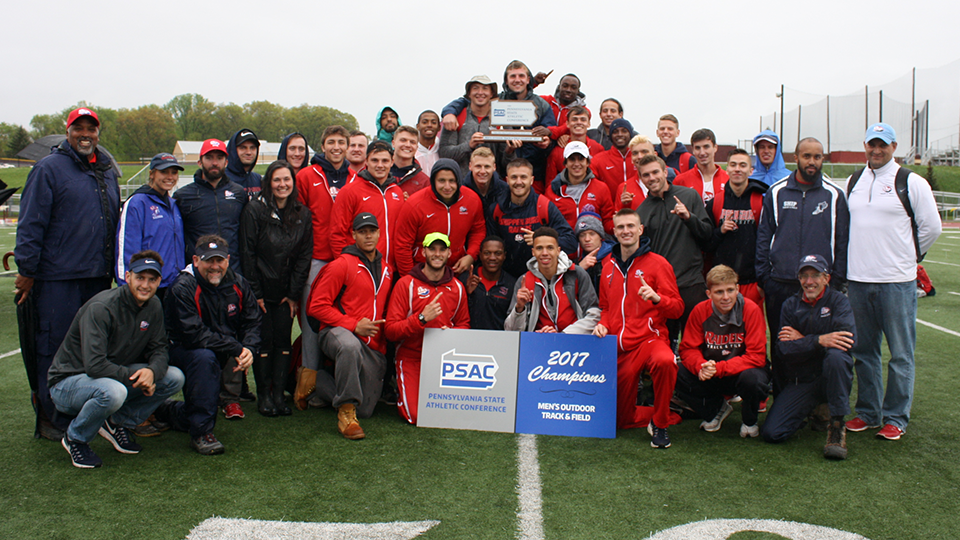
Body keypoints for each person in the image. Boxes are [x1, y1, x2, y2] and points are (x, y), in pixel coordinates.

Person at [15, 107, 120, 440]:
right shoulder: (49, 169)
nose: (85, 134)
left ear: (98, 133)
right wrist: (28, 270)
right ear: (68, 131)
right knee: (54, 347)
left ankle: (86, 410)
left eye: (91, 128)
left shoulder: (105, 169)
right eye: (79, 128)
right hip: (58, 277)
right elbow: (31, 223)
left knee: (92, 349)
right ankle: (51, 414)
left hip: (97, 277)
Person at [845, 123, 942, 440]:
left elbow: (932, 228)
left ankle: (896, 417)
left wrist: (908, 258)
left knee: (900, 354)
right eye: (872, 144)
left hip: (896, 282)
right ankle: (869, 413)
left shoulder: (911, 182)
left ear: (894, 146)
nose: (876, 150)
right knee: (865, 352)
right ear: (865, 146)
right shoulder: (854, 181)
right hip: (858, 280)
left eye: (882, 145)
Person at [48, 252, 185, 468]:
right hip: (69, 382)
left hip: (111, 375)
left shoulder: (154, 306)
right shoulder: (102, 307)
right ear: (128, 276)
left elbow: (159, 348)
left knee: (174, 377)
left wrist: (152, 372)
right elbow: (94, 365)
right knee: (114, 391)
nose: (145, 285)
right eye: (140, 278)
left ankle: (117, 422)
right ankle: (76, 437)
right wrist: (137, 377)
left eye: (152, 280)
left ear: (159, 281)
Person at [756, 137, 848, 395]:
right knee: (781, 342)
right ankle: (783, 396)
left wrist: (836, 280)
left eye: (817, 157)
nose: (812, 162)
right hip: (781, 284)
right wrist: (765, 277)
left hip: (819, 287)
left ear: (822, 159)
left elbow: (842, 241)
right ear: (795, 158)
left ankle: (819, 403)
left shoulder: (834, 194)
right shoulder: (776, 192)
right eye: (806, 156)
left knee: (819, 345)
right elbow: (764, 236)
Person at [159, 235, 261, 455]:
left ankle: (167, 411)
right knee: (204, 358)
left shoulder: (238, 282)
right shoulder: (183, 287)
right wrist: (235, 347)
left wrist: (249, 349)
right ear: (196, 260)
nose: (215, 267)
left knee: (210, 359)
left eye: (220, 260)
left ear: (228, 260)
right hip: (181, 350)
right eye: (208, 261)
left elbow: (252, 320)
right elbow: (194, 335)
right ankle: (201, 433)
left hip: (218, 348)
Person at [593, 209, 683, 448]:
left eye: (631, 226)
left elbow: (677, 309)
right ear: (614, 231)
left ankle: (661, 423)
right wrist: (603, 323)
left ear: (640, 230)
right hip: (620, 348)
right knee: (621, 420)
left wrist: (657, 299)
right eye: (621, 227)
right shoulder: (608, 265)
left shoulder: (658, 264)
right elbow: (605, 306)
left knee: (666, 361)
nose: (626, 231)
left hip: (649, 340)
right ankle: (663, 410)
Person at [307, 213, 393, 440]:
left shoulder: (387, 269)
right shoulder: (341, 264)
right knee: (349, 346)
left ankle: (315, 380)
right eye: (362, 231)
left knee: (365, 410)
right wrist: (353, 325)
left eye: (371, 231)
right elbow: (316, 306)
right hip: (336, 332)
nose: (368, 236)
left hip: (370, 343)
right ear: (353, 235)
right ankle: (346, 413)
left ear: (378, 233)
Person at [761, 255, 856, 461]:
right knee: (772, 433)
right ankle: (812, 409)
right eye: (804, 276)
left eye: (815, 275)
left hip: (828, 376)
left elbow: (846, 342)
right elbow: (783, 349)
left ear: (826, 279)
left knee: (837, 358)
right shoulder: (790, 305)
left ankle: (837, 425)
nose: (809, 281)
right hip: (802, 379)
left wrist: (803, 340)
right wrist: (819, 340)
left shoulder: (839, 301)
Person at [240, 161, 312, 417]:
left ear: (293, 183)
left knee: (283, 341)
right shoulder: (255, 210)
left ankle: (280, 395)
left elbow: (304, 256)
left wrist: (293, 293)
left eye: (287, 180)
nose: (282, 185)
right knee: (264, 342)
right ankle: (264, 396)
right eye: (277, 180)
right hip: (260, 291)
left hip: (286, 293)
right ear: (269, 182)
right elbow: (247, 253)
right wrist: (255, 293)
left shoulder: (302, 214)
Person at [294, 125, 357, 408]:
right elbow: (297, 220)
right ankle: (306, 384)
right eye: (330, 142)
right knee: (313, 322)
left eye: (341, 142)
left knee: (342, 322)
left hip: (346, 259)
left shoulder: (356, 177)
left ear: (347, 146)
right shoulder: (307, 175)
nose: (336, 147)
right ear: (323, 145)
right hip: (317, 259)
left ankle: (329, 383)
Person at [385, 233, 470, 424]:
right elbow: (390, 331)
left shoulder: (457, 287)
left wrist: (453, 335)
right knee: (416, 416)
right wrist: (421, 318)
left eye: (442, 249)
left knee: (456, 414)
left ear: (449, 253)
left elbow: (464, 324)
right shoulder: (406, 284)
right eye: (432, 249)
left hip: (444, 360)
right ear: (423, 251)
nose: (437, 254)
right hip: (411, 356)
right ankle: (403, 389)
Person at [676, 265, 768, 438]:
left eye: (730, 290)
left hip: (741, 372)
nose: (726, 297)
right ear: (709, 294)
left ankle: (749, 420)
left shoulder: (751, 309)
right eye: (719, 292)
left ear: (738, 289)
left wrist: (720, 368)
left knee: (754, 379)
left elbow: (757, 356)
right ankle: (716, 409)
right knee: (675, 371)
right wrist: (700, 366)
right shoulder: (699, 311)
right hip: (711, 373)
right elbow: (688, 348)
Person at [635, 154, 713, 347]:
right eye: (646, 175)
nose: (652, 178)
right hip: (662, 288)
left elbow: (707, 235)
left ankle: (695, 374)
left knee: (695, 339)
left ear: (665, 172)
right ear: (641, 179)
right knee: (666, 341)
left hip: (691, 282)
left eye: (655, 172)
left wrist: (689, 217)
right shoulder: (641, 211)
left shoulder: (688, 196)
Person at [442, 60, 555, 184]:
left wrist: (547, 143)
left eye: (521, 76)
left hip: (534, 171)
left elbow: (551, 133)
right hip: (500, 175)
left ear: (529, 79)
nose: (517, 80)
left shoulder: (542, 105)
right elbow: (466, 101)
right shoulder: (497, 102)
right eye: (513, 76)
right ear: (506, 81)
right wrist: (449, 112)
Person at [393, 159, 485, 277]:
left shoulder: (471, 200)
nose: (447, 186)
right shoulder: (415, 204)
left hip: (456, 270)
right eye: (441, 181)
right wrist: (410, 279)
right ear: (433, 181)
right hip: (422, 271)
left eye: (452, 181)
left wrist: (471, 255)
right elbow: (402, 245)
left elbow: (478, 230)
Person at [487, 158, 577, 279]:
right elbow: (488, 246)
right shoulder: (496, 210)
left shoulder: (544, 206)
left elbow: (571, 241)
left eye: (523, 177)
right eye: (514, 177)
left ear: (531, 180)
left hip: (540, 276)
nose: (518, 182)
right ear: (507, 180)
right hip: (505, 277)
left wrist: (540, 240)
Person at [116, 153, 185, 301]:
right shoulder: (137, 203)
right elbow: (126, 248)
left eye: (174, 172)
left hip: (173, 285)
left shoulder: (173, 204)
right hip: (148, 286)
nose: (170, 177)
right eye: (164, 172)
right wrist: (126, 286)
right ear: (152, 174)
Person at [504, 228, 600, 334]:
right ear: (533, 252)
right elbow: (511, 331)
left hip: (573, 342)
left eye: (550, 248)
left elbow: (595, 315)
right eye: (539, 248)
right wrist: (519, 308)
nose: (545, 253)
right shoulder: (525, 281)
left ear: (558, 251)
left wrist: (562, 335)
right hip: (539, 343)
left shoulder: (576, 274)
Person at [175, 139, 249, 275]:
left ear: (226, 162)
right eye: (209, 158)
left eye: (219, 158)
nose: (214, 163)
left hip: (233, 271)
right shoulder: (183, 196)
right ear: (200, 162)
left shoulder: (238, 193)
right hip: (199, 273)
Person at [703, 149, 767, 306]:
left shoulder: (761, 201)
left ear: (751, 171)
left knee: (750, 328)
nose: (738, 168)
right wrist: (721, 231)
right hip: (722, 283)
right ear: (727, 169)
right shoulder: (716, 202)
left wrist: (762, 283)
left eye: (743, 165)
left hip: (751, 282)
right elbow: (706, 243)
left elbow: (768, 244)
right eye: (733, 164)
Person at [329, 140, 405, 262]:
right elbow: (337, 235)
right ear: (366, 162)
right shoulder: (349, 191)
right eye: (375, 160)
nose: (380, 165)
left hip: (391, 268)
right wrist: (347, 268)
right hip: (360, 266)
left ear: (392, 162)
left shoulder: (397, 192)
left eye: (385, 161)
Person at [545, 141, 614, 237]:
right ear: (565, 163)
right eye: (572, 159)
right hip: (564, 248)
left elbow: (607, 221)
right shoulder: (553, 190)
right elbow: (548, 223)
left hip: (593, 248)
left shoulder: (601, 188)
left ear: (588, 162)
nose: (577, 164)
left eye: (581, 159)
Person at [438, 75, 502, 174]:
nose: (480, 92)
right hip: (461, 183)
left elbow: (505, 161)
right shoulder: (456, 116)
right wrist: (469, 145)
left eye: (485, 88)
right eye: (475, 88)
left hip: (491, 184)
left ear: (491, 93)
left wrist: (510, 150)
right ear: (469, 94)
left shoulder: (501, 118)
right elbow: (445, 154)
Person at [544, 107, 604, 188]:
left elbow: (602, 180)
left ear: (589, 124)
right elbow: (550, 184)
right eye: (574, 119)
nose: (579, 123)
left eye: (583, 119)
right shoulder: (557, 151)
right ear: (567, 124)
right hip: (565, 197)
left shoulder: (598, 148)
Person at [464, 236, 515, 330]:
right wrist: (468, 294)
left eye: (498, 253)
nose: (492, 258)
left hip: (500, 340)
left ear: (504, 256)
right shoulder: (466, 279)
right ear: (480, 255)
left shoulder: (511, 284)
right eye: (487, 253)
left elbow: (513, 322)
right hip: (468, 338)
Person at [674, 129, 729, 205]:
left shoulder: (728, 179)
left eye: (706, 147)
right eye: (697, 148)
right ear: (693, 150)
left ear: (715, 147)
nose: (702, 152)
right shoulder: (680, 181)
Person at [591, 118, 638, 197]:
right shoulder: (598, 160)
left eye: (624, 131)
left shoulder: (639, 157)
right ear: (610, 136)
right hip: (610, 207)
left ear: (630, 134)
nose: (620, 134)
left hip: (638, 207)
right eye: (615, 132)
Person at [573, 212, 615, 293]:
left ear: (600, 236)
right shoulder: (577, 262)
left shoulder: (615, 257)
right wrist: (579, 269)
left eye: (592, 234)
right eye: (582, 235)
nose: (587, 239)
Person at [462, 146, 508, 220]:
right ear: (470, 166)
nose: (482, 171)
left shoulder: (505, 190)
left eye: (487, 166)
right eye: (478, 166)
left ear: (494, 167)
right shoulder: (461, 191)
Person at [616, 135, 657, 210]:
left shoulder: (669, 177)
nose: (640, 156)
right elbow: (619, 218)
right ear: (631, 159)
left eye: (644, 152)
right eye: (635, 153)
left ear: (655, 155)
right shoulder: (624, 188)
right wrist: (625, 205)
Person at [391, 125, 431, 197]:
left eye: (412, 142)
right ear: (393, 143)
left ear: (417, 147)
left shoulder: (425, 182)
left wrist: (410, 204)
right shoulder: (379, 172)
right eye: (403, 140)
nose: (408, 145)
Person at [225, 128, 262, 196]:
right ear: (233, 150)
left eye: (252, 148)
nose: (248, 152)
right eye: (243, 147)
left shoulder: (258, 179)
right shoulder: (221, 179)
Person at [415, 110, 441, 175]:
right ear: (418, 126)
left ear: (439, 127)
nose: (429, 125)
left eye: (433, 122)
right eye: (425, 122)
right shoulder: (412, 150)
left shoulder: (443, 149)